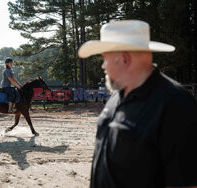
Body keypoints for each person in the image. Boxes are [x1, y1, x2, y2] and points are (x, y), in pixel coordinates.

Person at [78, 20, 197, 188]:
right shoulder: (115, 98)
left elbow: (184, 183)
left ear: (125, 58)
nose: (103, 66)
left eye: (105, 58)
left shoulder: (175, 104)